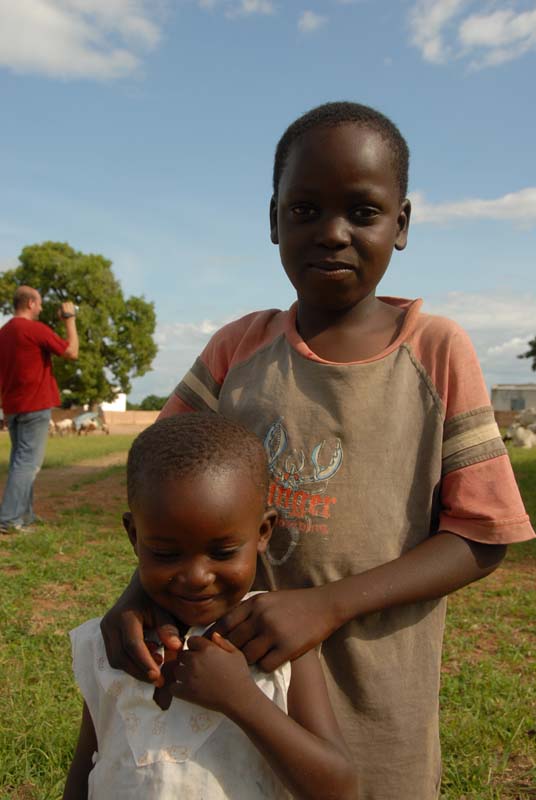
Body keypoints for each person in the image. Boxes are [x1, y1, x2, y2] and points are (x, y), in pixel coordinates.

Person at [100, 102, 535, 799]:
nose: (332, 233)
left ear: (402, 224)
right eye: (305, 210)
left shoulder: (436, 351)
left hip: (374, 686)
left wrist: (325, 604)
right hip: (235, 689)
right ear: (274, 218)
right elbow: (158, 478)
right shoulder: (237, 349)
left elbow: (482, 536)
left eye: (362, 212)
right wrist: (135, 598)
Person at [64, 413, 357, 800]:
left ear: (263, 533)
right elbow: (85, 768)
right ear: (134, 536)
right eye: (167, 553)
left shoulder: (277, 643)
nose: (197, 576)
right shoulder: (114, 644)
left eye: (222, 552)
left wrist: (242, 700)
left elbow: (340, 788)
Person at [0, 285, 78, 533]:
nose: (42, 307)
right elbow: (71, 351)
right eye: (40, 303)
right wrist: (70, 319)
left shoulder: (4, 332)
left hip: (12, 406)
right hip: (35, 405)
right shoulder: (34, 329)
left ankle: (25, 515)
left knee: (19, 461)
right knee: (28, 463)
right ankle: (9, 520)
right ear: (31, 303)